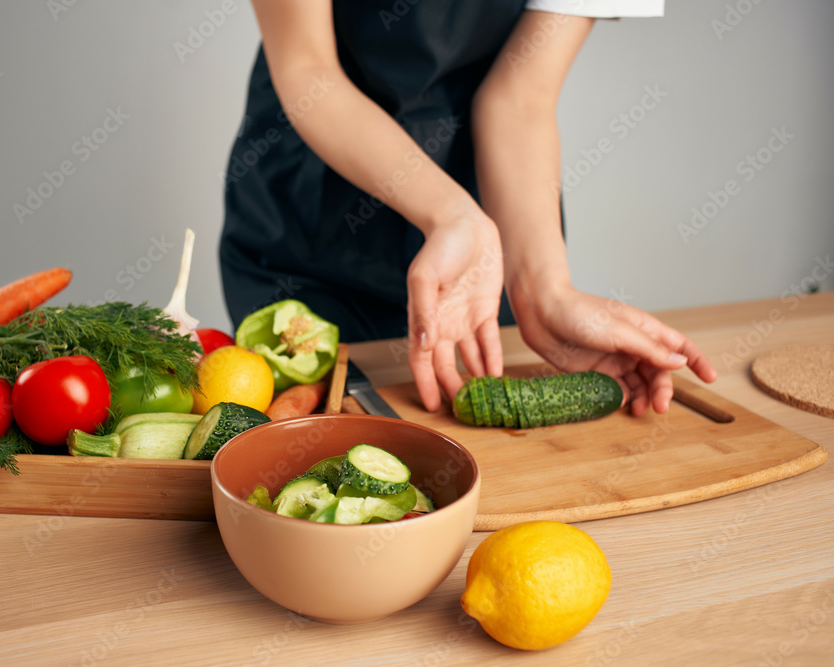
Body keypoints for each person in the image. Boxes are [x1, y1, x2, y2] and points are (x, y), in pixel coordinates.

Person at [219, 0, 717, 415]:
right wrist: (451, 215)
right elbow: (309, 71)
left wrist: (544, 289)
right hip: (314, 214)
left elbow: (520, 98)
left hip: (486, 231)